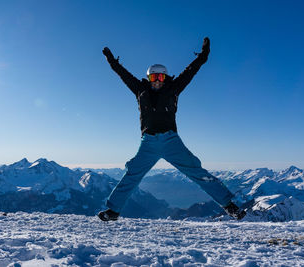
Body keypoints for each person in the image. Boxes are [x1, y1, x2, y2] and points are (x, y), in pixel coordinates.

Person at [98, 37, 246, 221]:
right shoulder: (139, 90)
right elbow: (123, 74)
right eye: (154, 77)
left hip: (171, 141)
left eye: (160, 77)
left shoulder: (174, 88)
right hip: (149, 142)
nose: (157, 81)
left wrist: (203, 56)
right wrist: (111, 61)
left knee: (196, 171)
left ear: (165, 77)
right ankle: (113, 211)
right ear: (149, 78)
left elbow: (190, 72)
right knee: (132, 174)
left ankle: (230, 206)